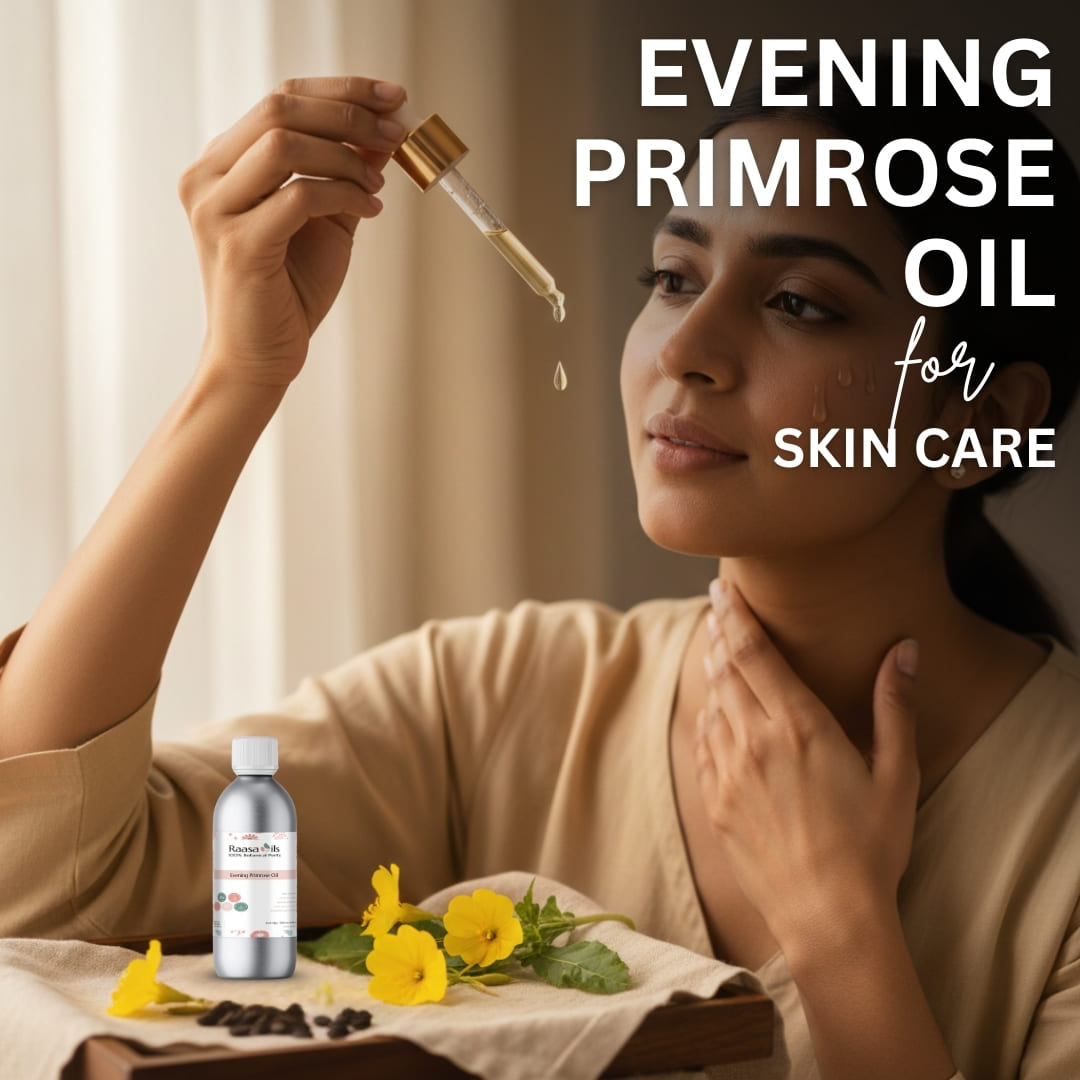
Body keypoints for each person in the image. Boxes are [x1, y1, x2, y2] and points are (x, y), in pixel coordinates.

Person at [1, 60, 1078, 1080]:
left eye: (798, 300)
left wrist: (845, 931)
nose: (684, 346)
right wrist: (237, 373)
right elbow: (38, 879)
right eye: (672, 276)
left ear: (976, 416)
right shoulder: (505, 700)